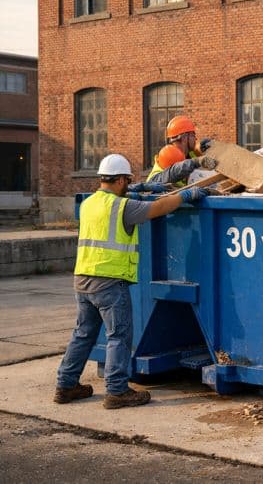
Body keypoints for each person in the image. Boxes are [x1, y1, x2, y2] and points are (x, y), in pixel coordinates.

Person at [54, 153, 208, 409]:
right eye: (127, 180)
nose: (128, 184)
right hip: (109, 283)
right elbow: (156, 209)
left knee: (83, 334)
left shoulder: (89, 203)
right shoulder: (122, 208)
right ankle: (116, 391)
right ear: (119, 180)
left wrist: (141, 188)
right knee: (119, 336)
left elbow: (119, 201)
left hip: (82, 279)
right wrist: (184, 196)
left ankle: (65, 385)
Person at [146, 115, 216, 186]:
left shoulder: (189, 154)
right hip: (169, 195)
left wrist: (201, 147)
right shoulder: (167, 155)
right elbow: (172, 172)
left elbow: (196, 152)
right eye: (193, 135)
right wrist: (195, 162)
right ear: (184, 137)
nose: (195, 139)